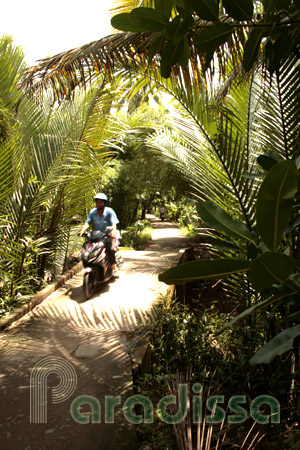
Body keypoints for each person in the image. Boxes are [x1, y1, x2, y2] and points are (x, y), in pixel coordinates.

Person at [78, 193, 119, 273]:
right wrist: (82, 231)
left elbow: (114, 224)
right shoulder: (93, 212)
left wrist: (113, 232)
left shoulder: (109, 212)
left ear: (104, 203)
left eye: (101, 202)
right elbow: (87, 223)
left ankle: (112, 266)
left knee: (110, 249)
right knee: (87, 249)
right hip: (96, 236)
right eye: (97, 202)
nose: (99, 204)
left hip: (107, 236)